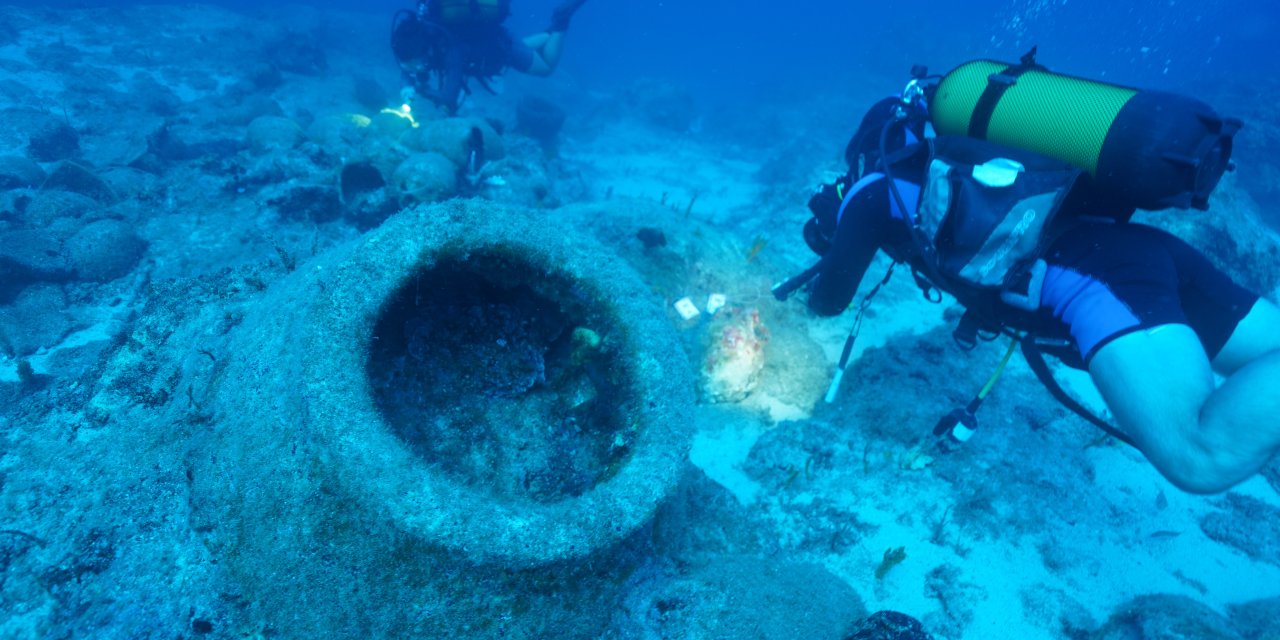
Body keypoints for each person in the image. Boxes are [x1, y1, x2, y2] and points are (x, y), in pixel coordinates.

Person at [796, 92, 1280, 496]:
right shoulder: (970, 159)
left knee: (1198, 456)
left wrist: (834, 225)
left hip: (1102, 284)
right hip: (1147, 252)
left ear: (863, 149)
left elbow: (828, 302)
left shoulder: (875, 191)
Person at [391, 0, 589, 114]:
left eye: (416, 63)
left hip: (498, 46)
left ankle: (560, 21)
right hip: (493, 46)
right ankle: (548, 36)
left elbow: (449, 99)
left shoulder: (452, 49)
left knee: (545, 68)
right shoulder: (424, 32)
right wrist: (405, 87)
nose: (416, 68)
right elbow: (406, 68)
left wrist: (420, 90)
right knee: (512, 50)